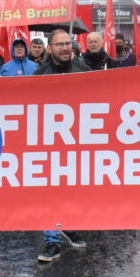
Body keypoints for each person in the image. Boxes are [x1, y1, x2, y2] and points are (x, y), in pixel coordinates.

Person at [32, 28, 91, 262]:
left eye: (68, 43)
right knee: (50, 191)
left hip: (78, 139)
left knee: (74, 190)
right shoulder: (40, 75)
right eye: (60, 45)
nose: (66, 48)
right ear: (50, 49)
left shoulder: (85, 71)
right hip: (50, 141)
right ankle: (51, 241)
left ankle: (68, 225)